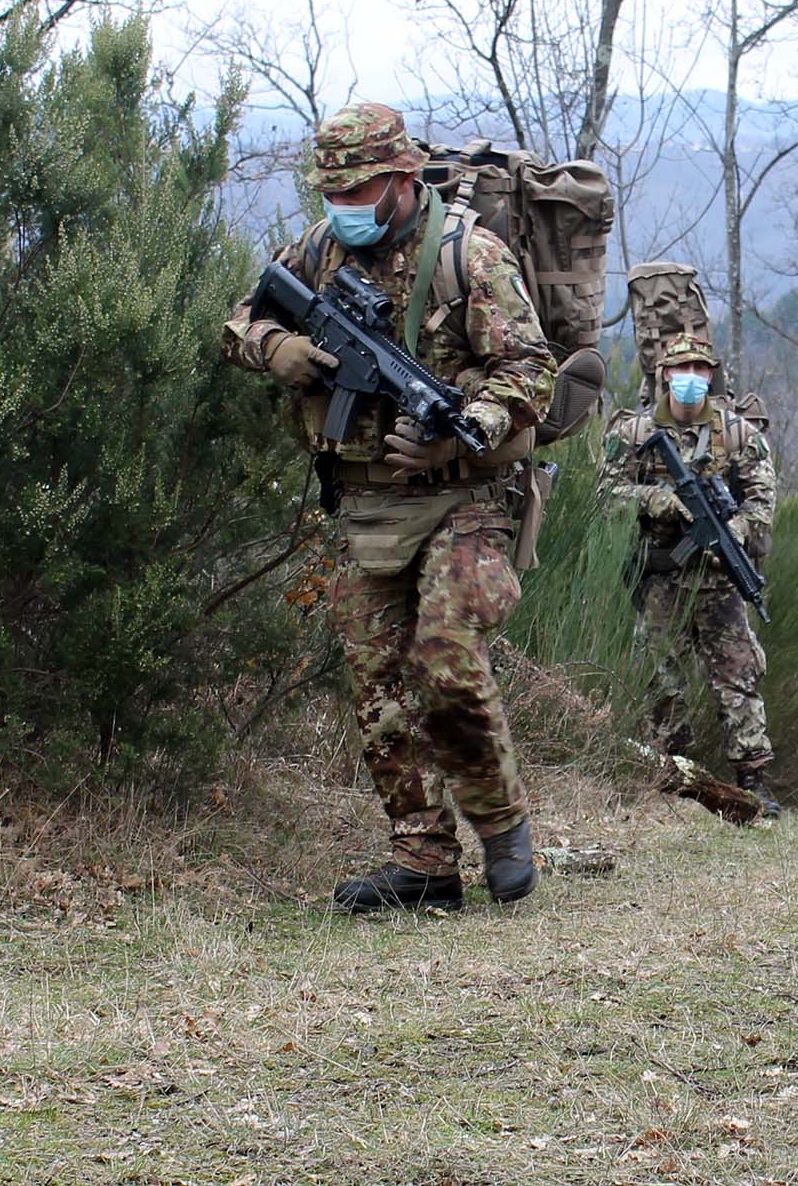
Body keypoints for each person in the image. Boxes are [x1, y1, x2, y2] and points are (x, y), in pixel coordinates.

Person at [221, 102, 556, 910]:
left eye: (360, 188)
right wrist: (278, 348)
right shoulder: (314, 250)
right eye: (332, 190)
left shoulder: (467, 256)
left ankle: (502, 828)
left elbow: (532, 372)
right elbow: (241, 318)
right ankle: (423, 863)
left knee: (444, 652)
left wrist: (460, 434)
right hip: (368, 508)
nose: (344, 204)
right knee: (377, 683)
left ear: (403, 180)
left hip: (463, 498)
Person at [599, 334, 781, 817]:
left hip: (721, 580)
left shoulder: (741, 435)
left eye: (701, 369)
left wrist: (733, 531)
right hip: (662, 578)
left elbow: (763, 505)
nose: (692, 378)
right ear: (663, 375)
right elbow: (605, 495)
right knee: (660, 678)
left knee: (738, 679)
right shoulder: (634, 433)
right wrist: (657, 500)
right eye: (682, 369)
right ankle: (672, 776)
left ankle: (754, 781)